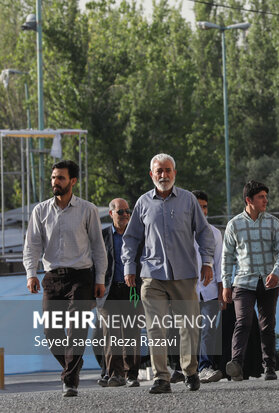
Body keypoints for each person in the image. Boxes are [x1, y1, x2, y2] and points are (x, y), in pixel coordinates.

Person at [121, 153, 215, 394]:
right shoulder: (143, 203)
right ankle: (161, 377)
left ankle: (190, 370)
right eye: (159, 171)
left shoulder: (188, 200)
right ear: (151, 175)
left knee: (189, 326)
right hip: (152, 276)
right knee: (155, 327)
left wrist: (207, 262)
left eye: (167, 170)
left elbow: (204, 232)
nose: (163, 175)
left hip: (184, 274)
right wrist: (129, 267)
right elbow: (130, 238)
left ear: (175, 173)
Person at [23, 160, 107, 397]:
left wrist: (99, 279)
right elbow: (32, 246)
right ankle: (74, 365)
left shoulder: (87, 209)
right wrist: (31, 274)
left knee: (77, 328)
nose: (55, 182)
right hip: (52, 278)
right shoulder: (40, 210)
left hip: (81, 276)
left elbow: (98, 248)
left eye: (60, 178)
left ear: (73, 181)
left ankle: (69, 380)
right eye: (53, 178)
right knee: (51, 331)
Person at [222, 180, 279, 381]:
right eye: (261, 197)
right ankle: (237, 365)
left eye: (266, 197)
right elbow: (227, 257)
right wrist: (226, 285)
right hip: (243, 282)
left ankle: (269, 366)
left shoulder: (273, 222)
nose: (265, 200)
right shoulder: (234, 224)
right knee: (243, 322)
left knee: (267, 325)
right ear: (249, 200)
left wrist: (276, 272)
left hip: (269, 282)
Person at [97, 198, 142, 388]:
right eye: (120, 212)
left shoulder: (137, 235)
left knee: (132, 332)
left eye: (127, 211)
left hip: (132, 290)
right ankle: (115, 374)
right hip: (109, 291)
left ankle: (131, 374)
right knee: (111, 333)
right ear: (111, 214)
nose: (125, 215)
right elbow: (95, 262)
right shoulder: (102, 236)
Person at [192, 190, 226, 383]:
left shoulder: (214, 233)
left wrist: (222, 291)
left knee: (207, 329)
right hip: (187, 291)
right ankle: (188, 368)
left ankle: (206, 367)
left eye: (205, 206)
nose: (202, 210)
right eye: (198, 206)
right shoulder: (182, 232)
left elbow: (220, 263)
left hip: (210, 291)